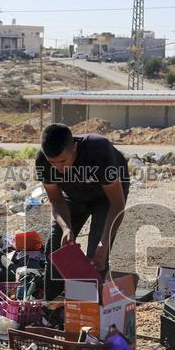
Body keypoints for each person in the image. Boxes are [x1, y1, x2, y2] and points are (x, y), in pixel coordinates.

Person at [36, 123, 129, 300]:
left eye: (63, 161)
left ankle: (90, 312)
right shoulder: (43, 161)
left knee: (96, 257)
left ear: (75, 147)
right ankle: (51, 309)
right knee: (56, 248)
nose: (58, 168)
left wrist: (104, 243)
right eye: (52, 163)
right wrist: (66, 228)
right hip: (74, 196)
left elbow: (117, 204)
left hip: (106, 199)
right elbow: (56, 199)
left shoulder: (99, 151)